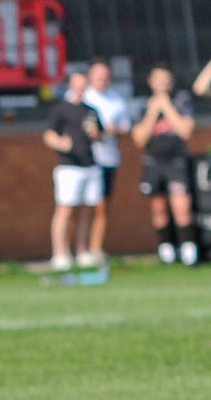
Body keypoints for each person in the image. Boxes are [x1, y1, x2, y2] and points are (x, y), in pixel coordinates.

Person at [132, 64, 197, 265]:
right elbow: (140, 139)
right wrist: (153, 111)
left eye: (165, 80)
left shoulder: (180, 101)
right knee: (158, 208)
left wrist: (166, 107)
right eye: (157, 80)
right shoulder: (143, 105)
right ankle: (166, 249)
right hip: (153, 161)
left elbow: (186, 131)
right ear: (151, 82)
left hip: (176, 161)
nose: (161, 84)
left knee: (182, 206)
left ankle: (188, 249)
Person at [42, 70, 104, 271]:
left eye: (83, 84)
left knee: (86, 211)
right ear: (70, 85)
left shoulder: (91, 110)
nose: (80, 88)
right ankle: (59, 254)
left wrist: (97, 135)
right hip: (68, 166)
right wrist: (61, 143)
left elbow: (101, 135)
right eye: (76, 84)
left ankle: (82, 251)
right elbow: (48, 135)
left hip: (90, 165)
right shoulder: (60, 109)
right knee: (65, 210)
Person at [82, 60, 131, 261]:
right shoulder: (82, 98)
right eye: (97, 76)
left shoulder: (116, 101)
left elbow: (126, 128)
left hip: (108, 158)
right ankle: (78, 249)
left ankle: (95, 249)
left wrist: (112, 129)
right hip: (85, 158)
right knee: (81, 205)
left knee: (102, 206)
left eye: (105, 76)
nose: (101, 80)